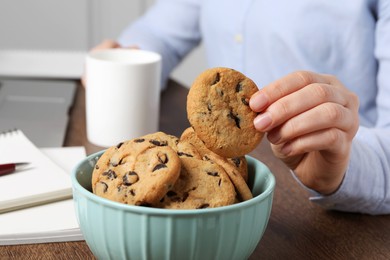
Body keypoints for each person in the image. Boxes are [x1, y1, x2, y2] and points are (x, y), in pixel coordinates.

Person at [85, 0, 390, 215]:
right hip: (237, 176)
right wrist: (119, 59)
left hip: (333, 201)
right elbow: (160, 32)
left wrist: (341, 168)